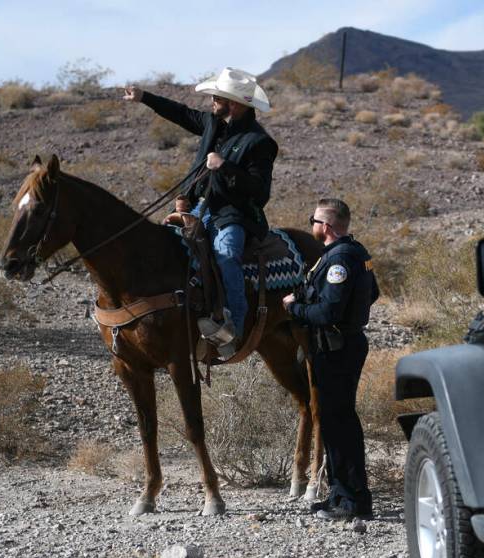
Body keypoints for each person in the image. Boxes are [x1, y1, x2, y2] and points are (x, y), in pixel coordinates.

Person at [123, 68, 278, 357]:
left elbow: (260, 193)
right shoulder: (212, 123)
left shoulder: (259, 142)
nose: (211, 102)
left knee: (226, 254)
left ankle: (235, 326)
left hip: (233, 215)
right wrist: (145, 97)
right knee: (164, 246)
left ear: (233, 103)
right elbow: (180, 113)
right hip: (198, 208)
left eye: (216, 97)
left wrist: (226, 167)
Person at [283, 199, 380, 520]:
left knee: (339, 424)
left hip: (336, 347)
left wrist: (294, 308)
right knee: (336, 423)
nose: (310, 224)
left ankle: (352, 500)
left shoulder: (339, 260)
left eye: (314, 219)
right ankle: (341, 494)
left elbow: (328, 312)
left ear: (325, 226)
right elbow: (373, 293)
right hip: (342, 344)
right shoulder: (355, 253)